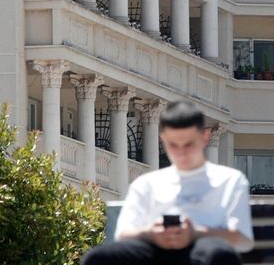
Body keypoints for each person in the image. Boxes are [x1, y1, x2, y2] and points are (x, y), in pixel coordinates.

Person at [82, 101, 254, 265]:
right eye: (173, 145)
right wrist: (151, 233)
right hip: (154, 251)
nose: (181, 153)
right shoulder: (147, 183)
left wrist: (195, 233)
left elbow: (243, 239)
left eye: (188, 144)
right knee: (98, 258)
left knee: (220, 255)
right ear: (163, 139)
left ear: (204, 137)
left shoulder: (229, 180)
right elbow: (123, 234)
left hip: (204, 251)